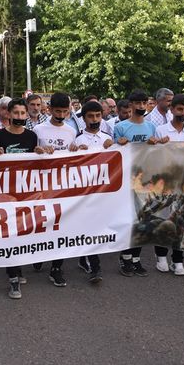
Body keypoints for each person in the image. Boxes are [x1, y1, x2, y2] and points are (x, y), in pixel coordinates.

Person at [32, 92, 82, 287]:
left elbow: (74, 155)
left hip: (63, 186)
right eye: (57, 111)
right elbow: (29, 156)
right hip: (42, 185)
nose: (61, 115)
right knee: (42, 223)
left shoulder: (71, 131)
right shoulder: (38, 129)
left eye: (65, 111)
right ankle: (37, 252)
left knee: (61, 225)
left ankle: (56, 267)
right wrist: (39, 152)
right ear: (49, 109)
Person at [0, 98, 38, 298]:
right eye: (15, 113)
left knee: (22, 232)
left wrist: (40, 154)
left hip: (26, 192)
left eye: (22, 113)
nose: (19, 117)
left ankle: (18, 269)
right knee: (10, 232)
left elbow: (36, 163)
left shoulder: (32, 136)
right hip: (5, 192)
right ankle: (13, 279)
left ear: (27, 114)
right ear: (8, 114)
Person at [114, 90, 160, 277]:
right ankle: (125, 257)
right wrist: (119, 144)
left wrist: (156, 144)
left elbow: (157, 153)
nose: (141, 106)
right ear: (131, 105)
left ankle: (136, 258)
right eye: (138, 103)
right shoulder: (121, 127)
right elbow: (113, 154)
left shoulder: (151, 127)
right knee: (129, 220)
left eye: (144, 103)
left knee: (144, 219)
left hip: (146, 179)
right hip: (126, 180)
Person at [154, 94, 184, 276]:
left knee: (181, 220)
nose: (183, 113)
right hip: (165, 182)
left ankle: (178, 259)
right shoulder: (160, 130)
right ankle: (161, 256)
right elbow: (153, 157)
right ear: (172, 109)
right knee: (164, 219)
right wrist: (158, 144)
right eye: (179, 109)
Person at [74, 101, 113, 283]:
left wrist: (114, 146)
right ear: (84, 118)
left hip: (103, 192)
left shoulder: (107, 137)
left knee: (97, 227)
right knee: (87, 227)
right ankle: (94, 267)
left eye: (98, 115)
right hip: (83, 194)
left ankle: (86, 259)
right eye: (90, 116)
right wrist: (73, 152)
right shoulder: (77, 139)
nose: (95, 119)